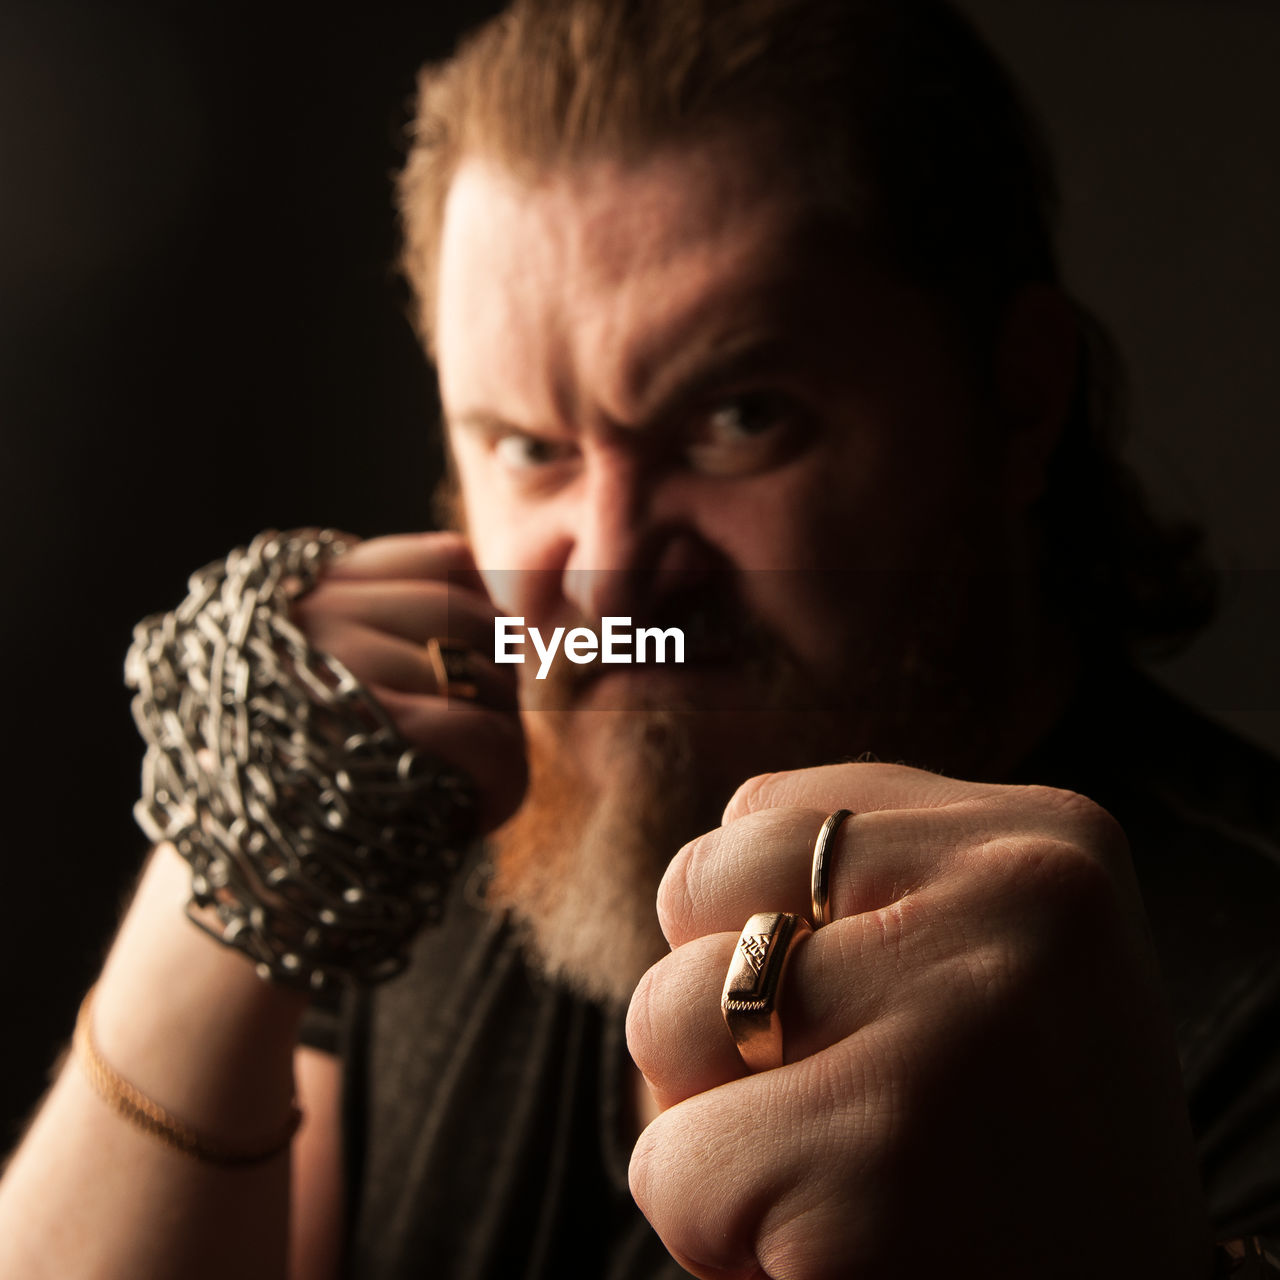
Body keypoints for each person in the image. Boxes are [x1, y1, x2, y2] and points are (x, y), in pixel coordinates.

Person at [1, 0, 1278, 1276]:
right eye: (527, 446)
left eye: (738, 417)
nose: (607, 576)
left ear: (1015, 403)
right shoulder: (430, 867)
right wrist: (224, 858)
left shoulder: (1245, 1007)